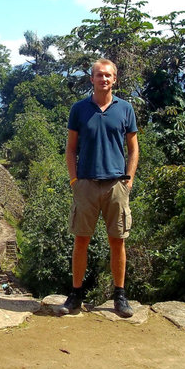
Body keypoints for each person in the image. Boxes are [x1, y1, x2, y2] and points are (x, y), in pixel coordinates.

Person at [58, 58, 139, 317]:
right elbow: (71, 149)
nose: (103, 79)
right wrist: (74, 180)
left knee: (118, 241)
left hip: (116, 184)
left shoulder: (125, 109)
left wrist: (129, 179)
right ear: (91, 79)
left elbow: (134, 148)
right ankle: (75, 295)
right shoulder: (79, 109)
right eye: (99, 75)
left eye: (108, 76)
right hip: (86, 184)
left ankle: (120, 295)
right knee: (81, 240)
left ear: (115, 79)